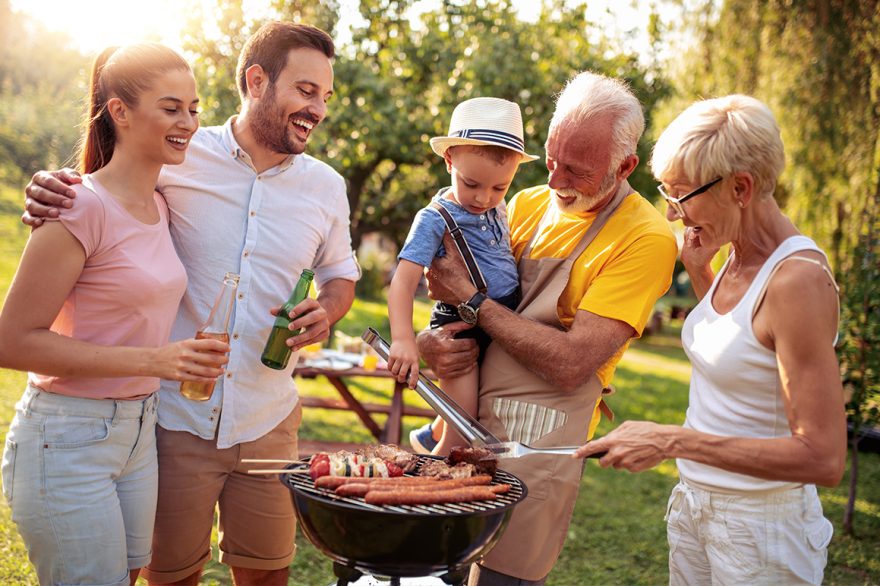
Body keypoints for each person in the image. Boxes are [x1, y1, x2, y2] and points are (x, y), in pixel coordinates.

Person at [21, 22, 360, 586]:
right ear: (257, 81)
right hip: (173, 418)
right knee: (171, 575)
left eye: (325, 96)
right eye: (305, 91)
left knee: (269, 574)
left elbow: (341, 277)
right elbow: (107, 191)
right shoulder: (178, 155)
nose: (318, 109)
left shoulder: (326, 187)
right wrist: (51, 187)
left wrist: (328, 309)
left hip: (268, 416)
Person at [418, 72, 678, 585]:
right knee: (432, 566)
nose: (555, 181)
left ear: (624, 166)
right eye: (551, 160)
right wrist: (434, 342)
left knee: (501, 576)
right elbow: (448, 298)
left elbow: (571, 362)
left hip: (538, 449)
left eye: (576, 171)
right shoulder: (523, 204)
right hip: (467, 423)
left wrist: (472, 303)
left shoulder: (645, 238)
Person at [575, 95, 846, 585]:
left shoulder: (797, 281)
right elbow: (744, 353)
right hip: (697, 506)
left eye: (681, 196)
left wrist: (671, 440)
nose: (673, 215)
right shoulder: (733, 257)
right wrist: (701, 274)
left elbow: (823, 457)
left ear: (740, 187)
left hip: (760, 529)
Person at [0, 44, 230, 586]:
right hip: (67, 436)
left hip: (137, 432)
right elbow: (11, 341)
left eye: (195, 108)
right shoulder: (78, 204)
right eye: (171, 107)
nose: (189, 123)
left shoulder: (164, 203)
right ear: (120, 112)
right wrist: (156, 359)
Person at [388, 97, 537, 455]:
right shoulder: (434, 218)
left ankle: (429, 434)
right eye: (471, 184)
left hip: (500, 323)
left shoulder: (498, 206)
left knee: (475, 408)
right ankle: (430, 485)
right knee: (464, 427)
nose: (484, 197)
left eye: (499, 187)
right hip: (460, 328)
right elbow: (403, 282)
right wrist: (404, 340)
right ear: (449, 159)